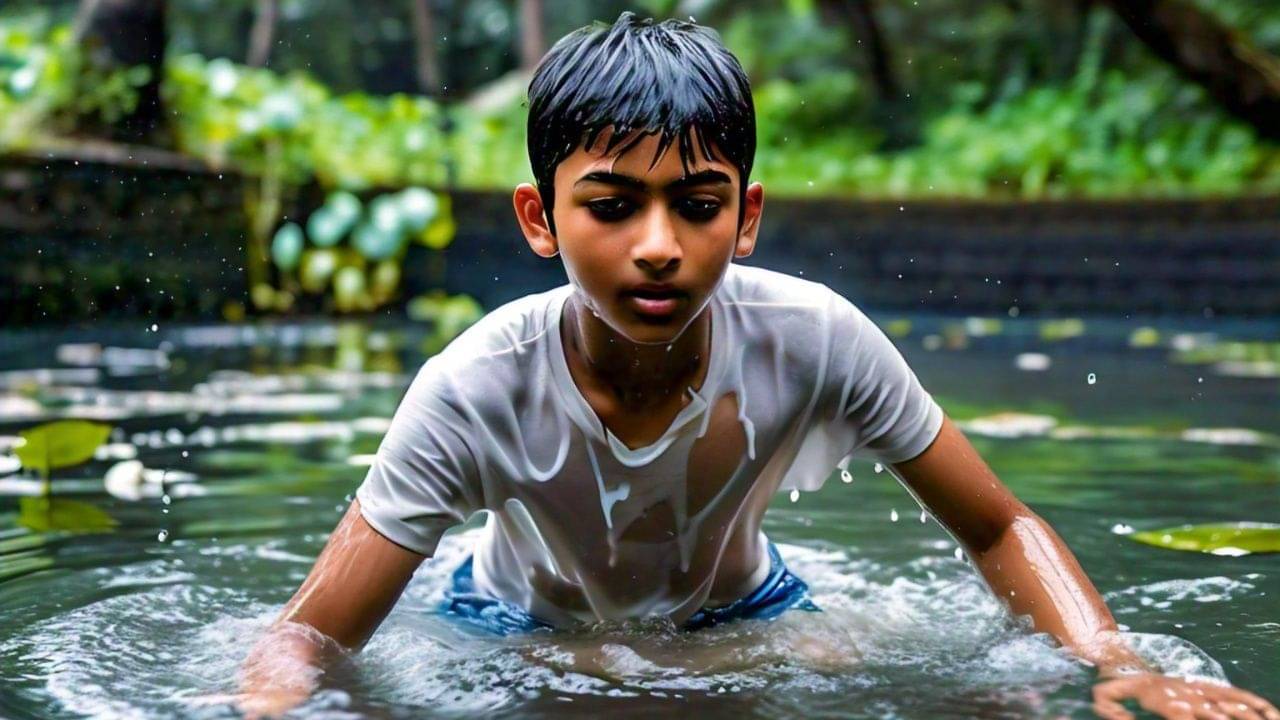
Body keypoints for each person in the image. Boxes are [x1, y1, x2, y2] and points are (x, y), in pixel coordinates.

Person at [233, 12, 1280, 720]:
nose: (655, 244)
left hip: (751, 619)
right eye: (609, 206)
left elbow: (997, 523)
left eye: (694, 205)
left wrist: (1122, 668)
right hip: (509, 634)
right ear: (538, 218)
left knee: (977, 689)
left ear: (744, 217)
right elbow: (309, 637)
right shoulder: (473, 386)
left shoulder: (813, 334)